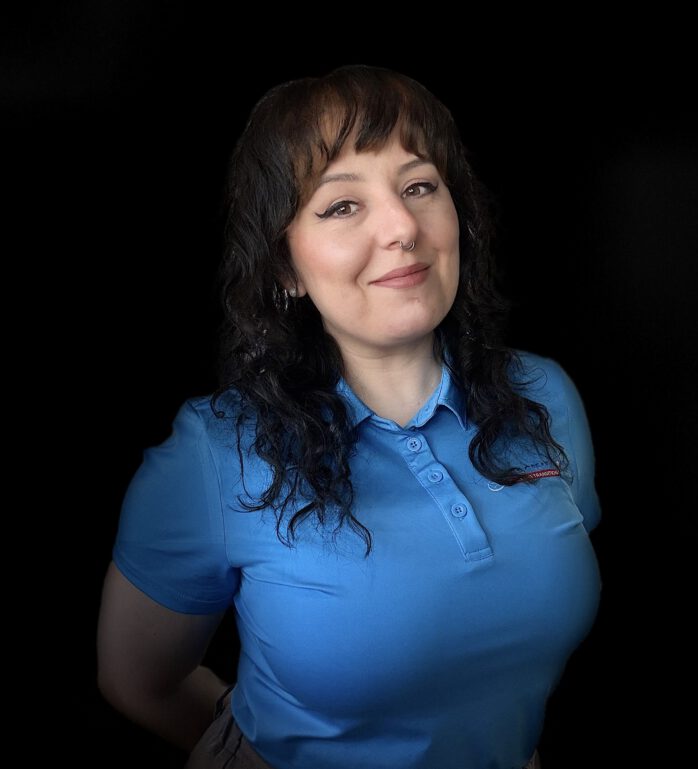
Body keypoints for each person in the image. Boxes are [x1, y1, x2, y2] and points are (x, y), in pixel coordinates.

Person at [97, 63, 602, 769]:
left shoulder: (545, 398)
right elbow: (139, 681)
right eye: (341, 206)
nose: (403, 225)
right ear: (286, 267)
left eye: (420, 186)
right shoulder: (212, 455)